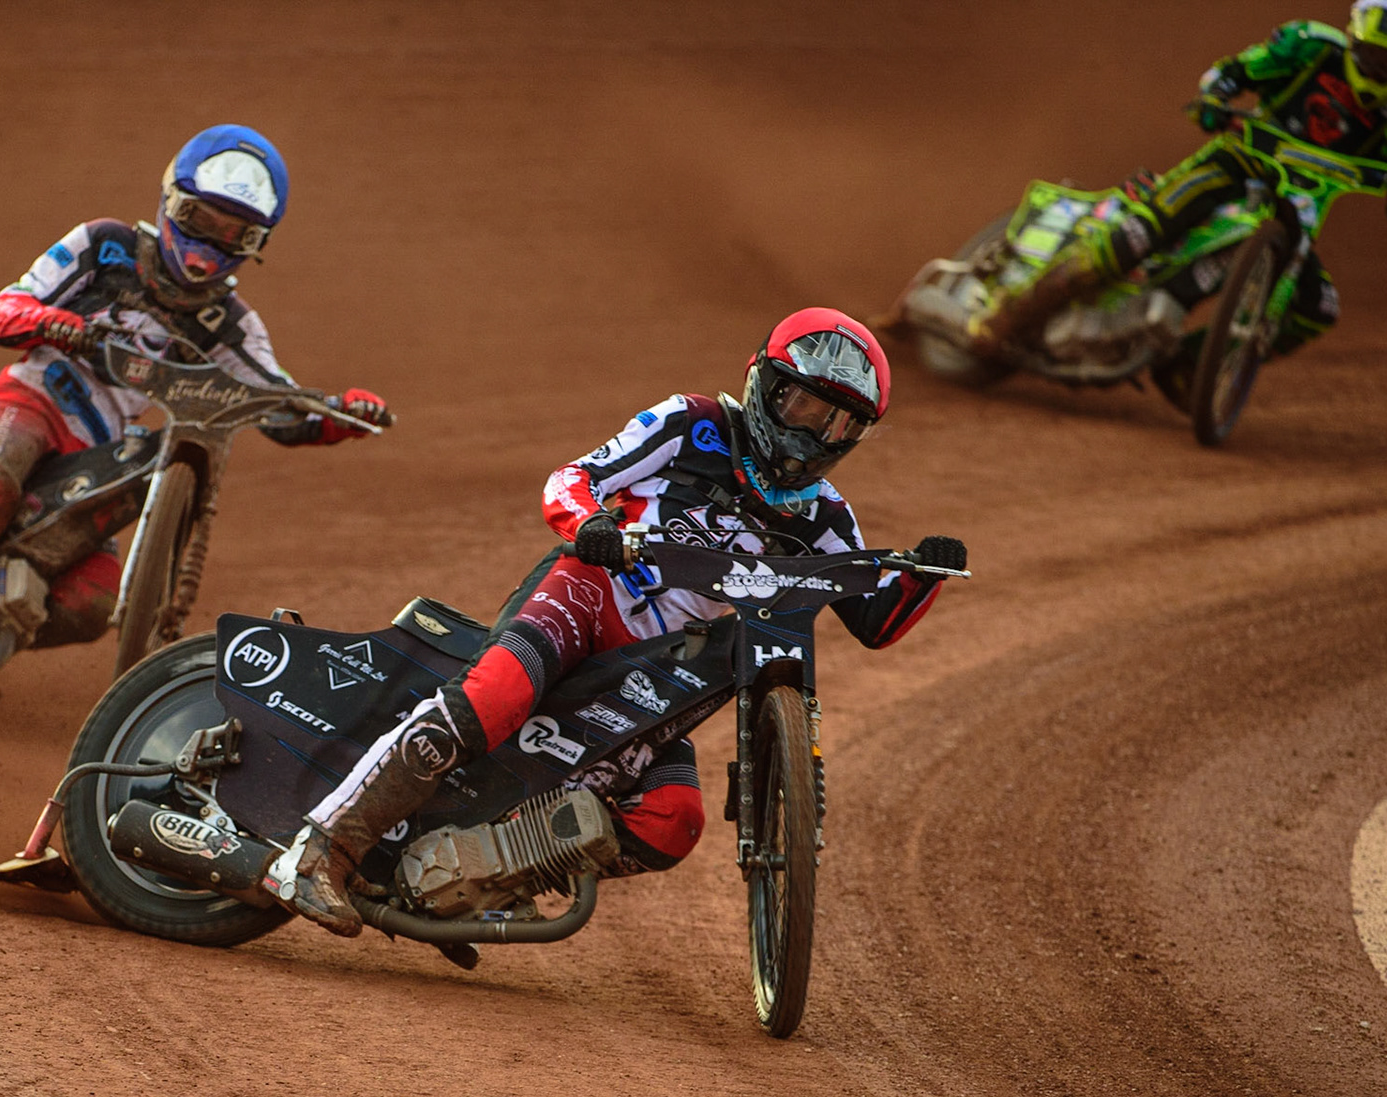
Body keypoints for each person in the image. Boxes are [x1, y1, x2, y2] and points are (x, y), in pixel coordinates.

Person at [277, 308, 967, 936]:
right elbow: (572, 478)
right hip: (591, 596)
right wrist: (593, 524)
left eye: (838, 422)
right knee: (493, 697)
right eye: (806, 404)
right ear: (766, 384)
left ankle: (490, 872)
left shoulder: (826, 516)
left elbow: (876, 618)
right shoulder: (691, 423)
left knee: (676, 821)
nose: (814, 432)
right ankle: (320, 852)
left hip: (669, 678)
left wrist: (920, 574)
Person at [0, 123, 392, 659]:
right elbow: (0, 312)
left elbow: (279, 409)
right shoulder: (106, 246)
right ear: (169, 200)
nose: (203, 251)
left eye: (233, 237)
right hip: (35, 400)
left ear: (255, 245)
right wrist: (59, 324)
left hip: (99, 458)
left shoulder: (236, 329)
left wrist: (342, 413)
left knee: (91, 604)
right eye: (197, 219)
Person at [965, 0, 1387, 400]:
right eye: (1370, 55)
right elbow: (1238, 70)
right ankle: (1005, 317)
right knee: (1138, 234)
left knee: (1318, 308)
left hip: (1296, 212)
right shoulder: (1308, 46)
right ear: (1353, 39)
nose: (1376, 70)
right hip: (1237, 165)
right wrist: (1217, 96)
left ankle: (1188, 366)